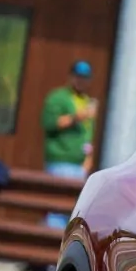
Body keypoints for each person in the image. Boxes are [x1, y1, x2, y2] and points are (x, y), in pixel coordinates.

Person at [40, 60, 98, 230]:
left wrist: (89, 158)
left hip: (80, 166)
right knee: (56, 208)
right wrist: (76, 117)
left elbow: (88, 134)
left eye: (85, 78)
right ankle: (49, 240)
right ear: (71, 77)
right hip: (60, 162)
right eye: (78, 76)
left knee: (72, 211)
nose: (81, 81)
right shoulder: (58, 98)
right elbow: (49, 123)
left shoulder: (87, 101)